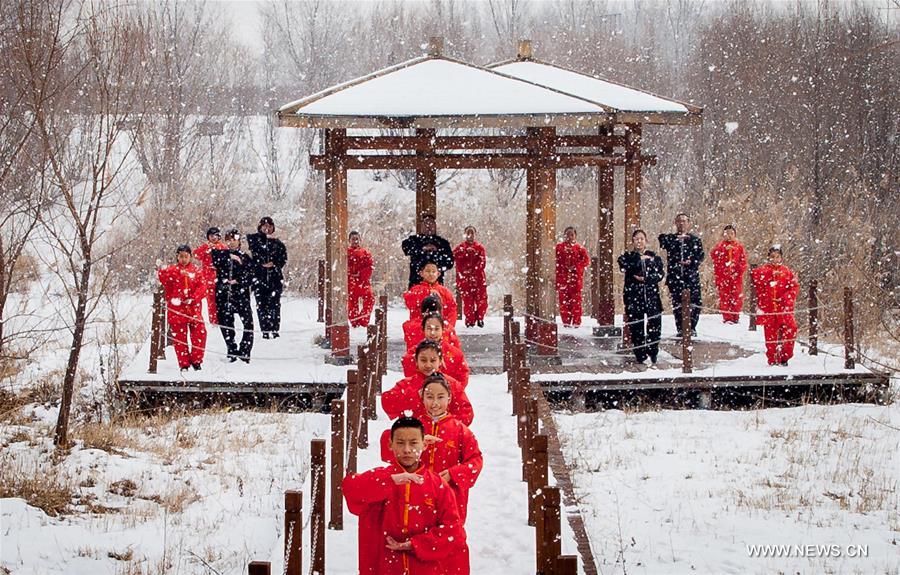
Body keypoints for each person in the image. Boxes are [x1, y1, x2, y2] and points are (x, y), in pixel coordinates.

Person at [343, 416, 464, 575]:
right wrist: (389, 481)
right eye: (400, 443)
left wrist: (415, 545)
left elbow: (453, 530)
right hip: (383, 567)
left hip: (425, 568)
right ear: (390, 444)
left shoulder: (438, 486)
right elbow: (350, 488)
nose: (407, 449)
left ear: (424, 444)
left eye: (413, 443)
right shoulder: (380, 478)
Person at [382, 340, 474, 426]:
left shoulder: (451, 384)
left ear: (440, 361)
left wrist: (446, 425)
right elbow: (387, 402)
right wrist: (414, 397)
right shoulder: (407, 384)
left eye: (433, 360)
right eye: (423, 360)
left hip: (444, 438)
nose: (428, 365)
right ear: (416, 362)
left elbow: (466, 412)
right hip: (414, 437)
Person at [618, 230, 665, 365]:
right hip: (634, 296)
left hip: (651, 296)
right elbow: (625, 267)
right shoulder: (627, 257)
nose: (639, 241)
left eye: (642, 239)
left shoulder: (654, 257)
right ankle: (640, 353)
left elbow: (660, 274)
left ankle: (653, 350)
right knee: (636, 327)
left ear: (646, 241)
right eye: (636, 239)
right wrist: (639, 260)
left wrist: (647, 278)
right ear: (632, 242)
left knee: (655, 325)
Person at [157, 245, 207, 371]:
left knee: (199, 335)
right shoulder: (172, 270)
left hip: (193, 309)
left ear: (190, 257)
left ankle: (196, 361)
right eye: (181, 256)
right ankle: (184, 363)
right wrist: (162, 269)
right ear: (177, 257)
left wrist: (194, 298)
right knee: (179, 339)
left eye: (186, 256)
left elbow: (203, 288)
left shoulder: (196, 271)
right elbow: (162, 278)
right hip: (177, 310)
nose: (183, 259)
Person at [751, 245, 800, 366]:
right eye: (772, 257)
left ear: (781, 257)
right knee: (770, 335)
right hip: (770, 307)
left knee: (791, 329)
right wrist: (770, 274)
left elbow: (793, 287)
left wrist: (785, 299)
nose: (775, 259)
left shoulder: (786, 271)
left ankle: (785, 356)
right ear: (768, 257)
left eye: (778, 257)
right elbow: (757, 280)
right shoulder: (764, 270)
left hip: (784, 308)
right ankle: (772, 359)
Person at [211, 228, 254, 363]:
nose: (231, 242)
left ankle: (245, 350)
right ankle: (231, 348)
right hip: (223, 293)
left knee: (248, 323)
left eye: (234, 239)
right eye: (228, 240)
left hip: (240, 294)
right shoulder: (220, 253)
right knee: (226, 323)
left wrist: (239, 280)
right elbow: (214, 259)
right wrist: (229, 256)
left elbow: (251, 276)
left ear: (239, 241)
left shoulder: (245, 257)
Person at [658, 213, 705, 337]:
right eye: (679, 221)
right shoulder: (671, 239)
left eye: (684, 221)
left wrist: (691, 262)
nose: (682, 223)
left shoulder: (694, 239)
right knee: (677, 304)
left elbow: (700, 256)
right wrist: (676, 240)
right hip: (675, 277)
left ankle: (692, 327)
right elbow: (661, 240)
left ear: (689, 223)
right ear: (675, 223)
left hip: (691, 277)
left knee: (696, 302)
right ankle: (680, 328)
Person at [401, 313, 470, 387]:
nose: (433, 333)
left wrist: (448, 392)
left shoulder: (455, 353)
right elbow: (410, 376)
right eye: (429, 328)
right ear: (423, 329)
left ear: (443, 330)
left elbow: (462, 377)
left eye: (436, 329)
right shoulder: (413, 353)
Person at [247, 216, 287, 339]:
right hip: (259, 277)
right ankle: (264, 329)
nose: (267, 229)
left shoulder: (278, 243)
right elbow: (256, 252)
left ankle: (274, 329)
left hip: (275, 277)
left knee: (275, 304)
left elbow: (283, 258)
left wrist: (274, 263)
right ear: (260, 227)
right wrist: (265, 240)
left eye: (269, 227)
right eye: (264, 226)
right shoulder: (254, 239)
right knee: (261, 304)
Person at [401, 214, 454, 289]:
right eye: (426, 224)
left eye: (431, 224)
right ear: (422, 227)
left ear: (435, 226)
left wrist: (437, 253)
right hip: (417, 282)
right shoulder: (414, 240)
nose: (428, 227)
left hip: (437, 285)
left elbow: (449, 263)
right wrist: (422, 249)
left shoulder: (442, 243)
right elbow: (406, 248)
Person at [710, 225, 748, 324]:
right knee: (725, 297)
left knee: (736, 297)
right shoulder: (720, 246)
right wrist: (724, 251)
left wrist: (738, 272)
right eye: (727, 233)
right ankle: (727, 317)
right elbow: (714, 257)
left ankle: (736, 316)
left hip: (736, 277)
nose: (729, 236)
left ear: (735, 235)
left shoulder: (739, 247)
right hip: (723, 277)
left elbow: (743, 262)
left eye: (732, 233)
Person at [555, 226, 591, 327]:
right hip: (563, 280)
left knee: (576, 303)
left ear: (575, 236)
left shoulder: (580, 248)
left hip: (575, 281)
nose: (569, 237)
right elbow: (555, 260)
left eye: (572, 234)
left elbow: (586, 261)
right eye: (567, 234)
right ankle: (566, 323)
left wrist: (576, 267)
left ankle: (576, 323)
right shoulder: (559, 247)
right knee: (564, 304)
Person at [453, 226, 488, 328]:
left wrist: (475, 270)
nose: (470, 236)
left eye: (472, 233)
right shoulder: (460, 248)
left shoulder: (479, 248)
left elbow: (483, 262)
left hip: (479, 280)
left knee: (482, 301)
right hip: (465, 280)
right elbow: (454, 257)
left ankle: (480, 318)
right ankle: (470, 321)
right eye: (468, 233)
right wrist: (464, 253)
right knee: (468, 302)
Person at [192, 227, 226, 325]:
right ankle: (214, 321)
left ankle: (223, 320)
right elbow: (195, 255)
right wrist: (206, 248)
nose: (214, 238)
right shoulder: (206, 247)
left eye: (216, 235)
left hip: (221, 278)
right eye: (211, 235)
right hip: (208, 279)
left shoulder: (223, 247)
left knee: (222, 300)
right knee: (211, 302)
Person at [347, 231, 375, 328]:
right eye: (353, 239)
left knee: (370, 299)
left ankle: (363, 321)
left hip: (363, 282)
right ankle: (354, 322)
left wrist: (361, 274)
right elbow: (342, 267)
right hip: (351, 282)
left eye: (357, 239)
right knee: (351, 303)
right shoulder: (346, 253)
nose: (355, 241)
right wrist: (350, 273)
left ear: (360, 240)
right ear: (349, 241)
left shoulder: (365, 252)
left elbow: (370, 267)